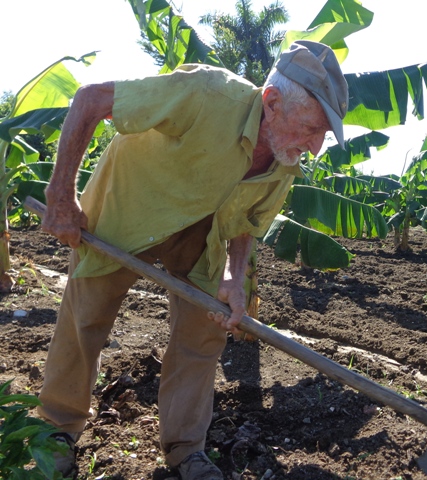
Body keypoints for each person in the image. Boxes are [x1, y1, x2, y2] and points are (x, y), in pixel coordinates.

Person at [37, 40, 348, 480]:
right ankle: (57, 429)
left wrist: (233, 279)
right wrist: (60, 194)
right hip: (131, 208)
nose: (314, 148)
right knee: (86, 316)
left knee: (205, 329)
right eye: (311, 128)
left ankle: (186, 450)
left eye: (322, 135)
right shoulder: (207, 93)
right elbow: (91, 99)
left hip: (203, 232)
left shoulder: (285, 160)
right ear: (272, 102)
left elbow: (247, 222)